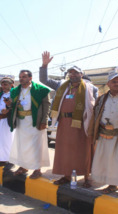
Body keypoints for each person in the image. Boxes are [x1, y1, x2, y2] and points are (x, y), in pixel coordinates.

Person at [40, 52, 95, 187]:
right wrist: (44, 65)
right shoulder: (61, 85)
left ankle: (87, 177)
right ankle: (66, 176)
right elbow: (44, 80)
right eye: (71, 73)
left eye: (76, 73)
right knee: (65, 150)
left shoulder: (90, 87)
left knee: (84, 151)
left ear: (81, 74)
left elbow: (96, 105)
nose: (73, 75)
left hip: (82, 124)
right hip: (64, 123)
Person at [6, 70, 51, 179]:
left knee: (36, 146)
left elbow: (47, 105)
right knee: (21, 146)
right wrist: (9, 104)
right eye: (20, 77)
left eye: (24, 76)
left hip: (35, 121)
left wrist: (44, 121)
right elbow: (13, 105)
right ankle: (23, 166)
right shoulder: (15, 91)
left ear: (30, 78)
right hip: (21, 121)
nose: (21, 79)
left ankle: (37, 169)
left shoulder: (41, 90)